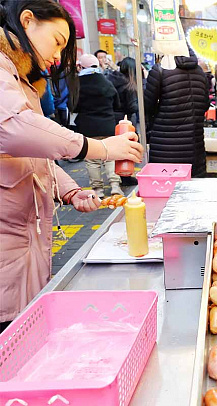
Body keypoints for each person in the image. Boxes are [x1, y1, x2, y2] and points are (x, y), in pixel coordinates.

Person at [0, 0, 143, 333]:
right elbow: (13, 128)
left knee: (26, 334)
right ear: (27, 21)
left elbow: (31, 157)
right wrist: (101, 148)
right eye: (57, 41)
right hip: (7, 245)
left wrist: (70, 190)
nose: (57, 56)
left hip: (26, 245)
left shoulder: (21, 78)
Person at [144, 48, 210, 177]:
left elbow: (147, 105)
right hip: (195, 147)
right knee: (192, 189)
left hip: (165, 146)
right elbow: (205, 104)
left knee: (164, 188)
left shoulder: (160, 71)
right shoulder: (200, 72)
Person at [75, 54, 122, 197]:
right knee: (110, 156)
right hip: (107, 124)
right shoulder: (106, 82)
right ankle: (115, 186)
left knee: (92, 159)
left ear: (80, 67)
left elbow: (73, 106)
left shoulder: (77, 84)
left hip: (88, 127)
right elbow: (117, 104)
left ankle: (98, 190)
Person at [108, 56, 138, 125]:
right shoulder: (129, 85)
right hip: (126, 119)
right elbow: (132, 107)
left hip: (111, 117)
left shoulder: (110, 79)